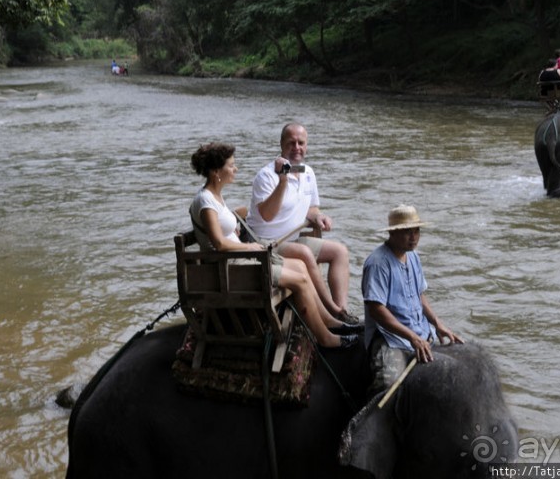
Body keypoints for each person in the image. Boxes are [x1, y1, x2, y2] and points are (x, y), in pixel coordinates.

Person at [189, 142, 359, 349]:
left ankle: (330, 321)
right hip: (233, 267)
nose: (236, 169)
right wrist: (250, 247)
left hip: (240, 260)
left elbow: (220, 227)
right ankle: (326, 338)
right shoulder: (206, 200)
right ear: (216, 171)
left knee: (301, 267)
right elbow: (218, 243)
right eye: (231, 165)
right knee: (300, 281)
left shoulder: (215, 197)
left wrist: (235, 223)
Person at [246, 123, 356, 324]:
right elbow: (268, 216)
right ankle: (332, 312)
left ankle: (343, 310)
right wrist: (283, 180)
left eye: (301, 143)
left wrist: (318, 217)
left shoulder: (308, 173)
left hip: (292, 239)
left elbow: (312, 208)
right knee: (304, 253)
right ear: (281, 145)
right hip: (265, 243)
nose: (297, 147)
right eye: (291, 143)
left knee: (339, 251)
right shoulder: (266, 176)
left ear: (307, 146)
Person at [362, 204, 464, 394]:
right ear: (392, 233)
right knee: (388, 385)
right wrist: (412, 337)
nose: (414, 237)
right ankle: (370, 419)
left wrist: (437, 323)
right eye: (407, 232)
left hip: (419, 331)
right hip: (390, 338)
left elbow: (419, 295)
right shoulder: (378, 263)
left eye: (416, 231)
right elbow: (376, 309)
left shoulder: (414, 257)